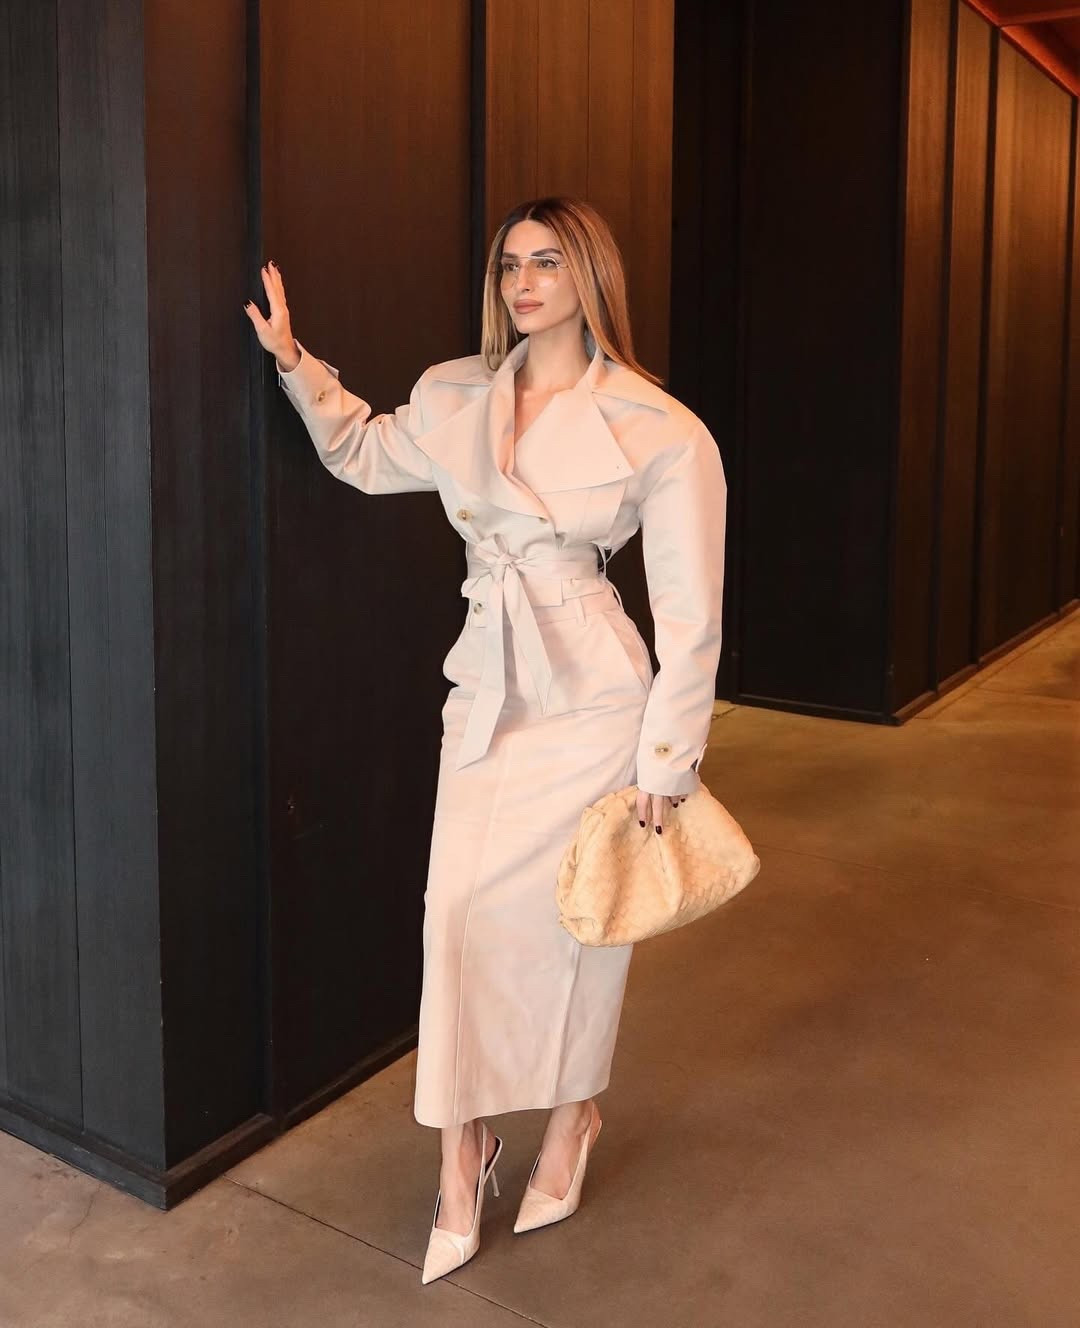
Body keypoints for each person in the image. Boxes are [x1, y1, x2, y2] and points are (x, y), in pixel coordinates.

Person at [245, 196, 727, 1285]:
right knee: (455, 912)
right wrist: (294, 363)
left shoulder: (660, 426)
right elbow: (364, 452)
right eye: (510, 264)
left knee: (580, 920)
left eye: (547, 262)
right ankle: (461, 1153)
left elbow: (691, 613)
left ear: (590, 275)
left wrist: (670, 761)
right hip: (489, 681)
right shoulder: (458, 391)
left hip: (594, 694)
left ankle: (571, 1115)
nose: (524, 283)